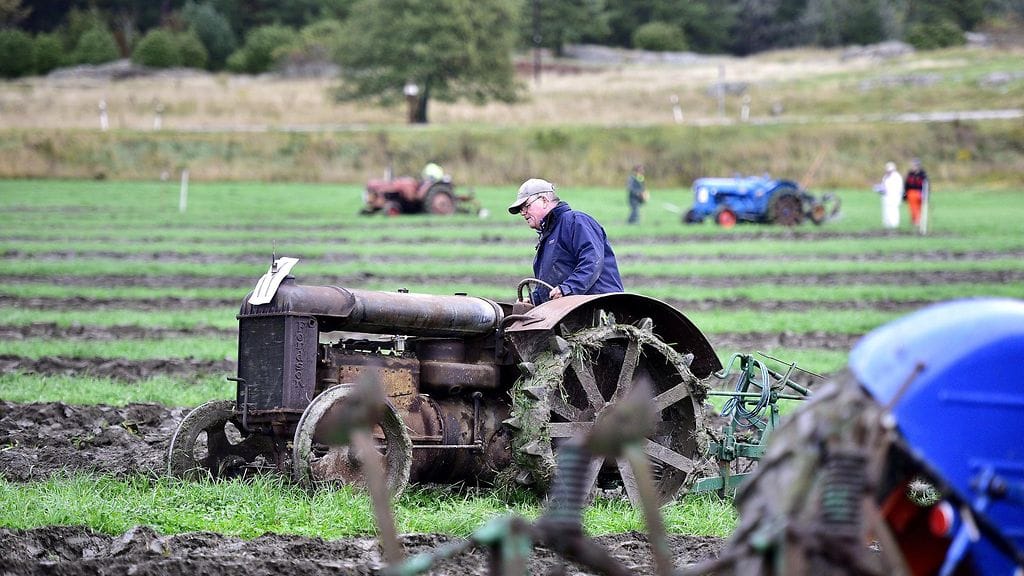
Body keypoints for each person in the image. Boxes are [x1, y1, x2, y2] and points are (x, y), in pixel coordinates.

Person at [508, 178, 624, 305]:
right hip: (574, 307)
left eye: (526, 206)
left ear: (544, 200)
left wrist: (567, 289)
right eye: (521, 209)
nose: (523, 213)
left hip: (601, 306)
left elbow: (592, 261)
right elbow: (551, 284)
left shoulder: (576, 221)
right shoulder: (548, 236)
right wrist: (534, 299)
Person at [904, 158, 929, 233]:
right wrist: (905, 194)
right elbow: (906, 185)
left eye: (914, 165)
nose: (913, 167)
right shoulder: (910, 174)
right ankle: (916, 222)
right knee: (913, 209)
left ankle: (919, 222)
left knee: (920, 209)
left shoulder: (923, 174)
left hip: (920, 193)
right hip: (911, 193)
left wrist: (926, 195)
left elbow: (926, 185)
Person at [878, 161, 903, 230]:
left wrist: (889, 191)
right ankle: (887, 224)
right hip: (886, 197)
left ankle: (894, 224)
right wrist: (880, 189)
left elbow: (898, 188)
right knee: (886, 210)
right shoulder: (885, 176)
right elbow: (883, 185)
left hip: (894, 197)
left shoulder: (897, 177)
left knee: (893, 210)